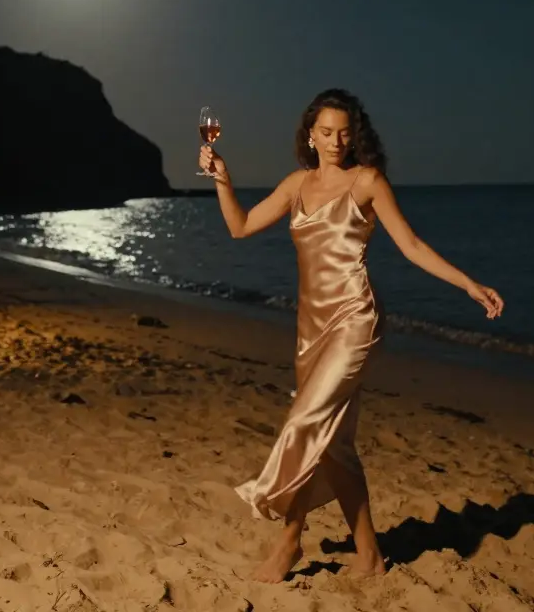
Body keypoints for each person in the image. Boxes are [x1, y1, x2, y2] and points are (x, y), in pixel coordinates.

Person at [200, 89, 504, 583]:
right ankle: (369, 556)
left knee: (304, 423)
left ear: (354, 134)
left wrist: (467, 283)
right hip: (309, 326)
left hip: (355, 319)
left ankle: (287, 541)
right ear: (310, 136)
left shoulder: (367, 182)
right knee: (335, 444)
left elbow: (411, 244)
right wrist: (223, 181)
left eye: (344, 132)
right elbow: (240, 227)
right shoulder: (297, 185)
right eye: (325, 132)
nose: (336, 141)